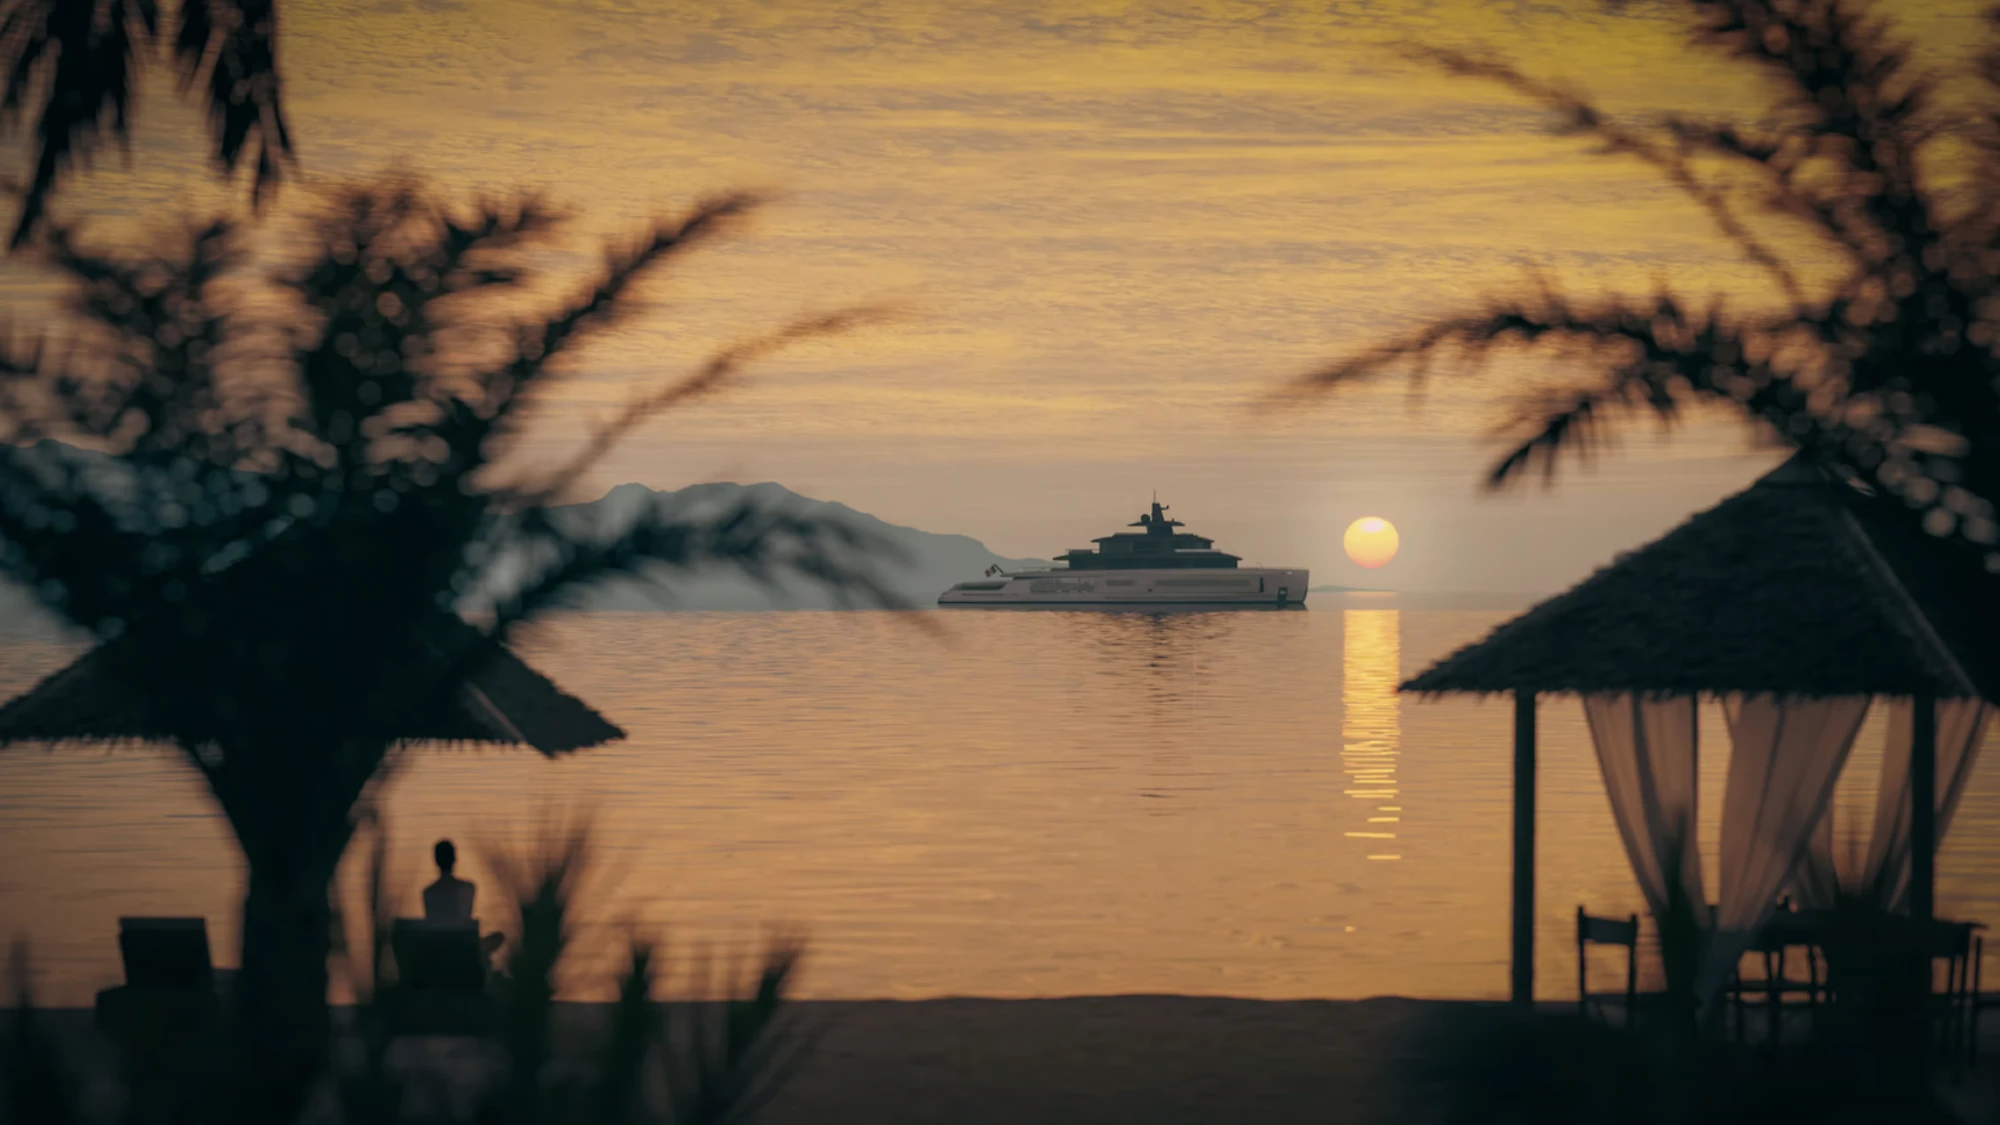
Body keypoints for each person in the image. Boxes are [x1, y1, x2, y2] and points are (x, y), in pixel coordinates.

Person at [422, 839, 477, 924]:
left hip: (439, 932)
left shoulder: (428, 892)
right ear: (455, 859)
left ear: (436, 861)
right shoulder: (469, 888)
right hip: (462, 932)